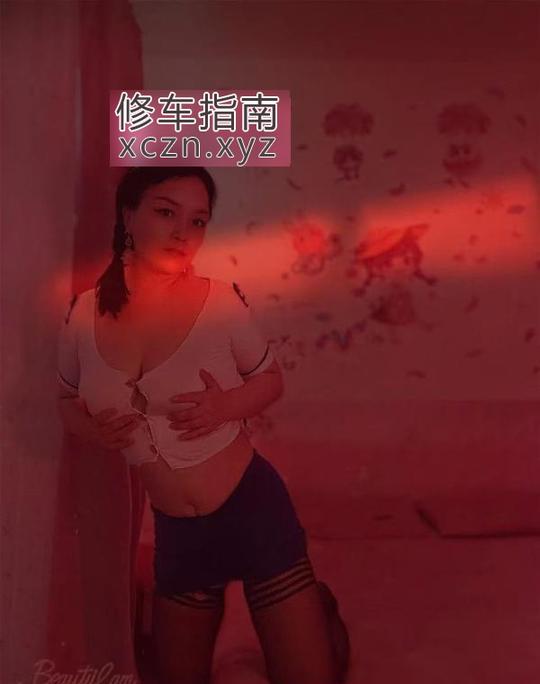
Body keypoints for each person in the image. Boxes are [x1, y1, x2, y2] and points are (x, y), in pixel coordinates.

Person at [56, 166, 350, 684]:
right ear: (129, 215)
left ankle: (320, 619)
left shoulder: (219, 301)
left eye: (197, 221)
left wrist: (226, 406)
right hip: (178, 533)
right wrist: (95, 431)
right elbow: (64, 399)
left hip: (251, 510)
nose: (182, 233)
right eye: (165, 212)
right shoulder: (82, 314)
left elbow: (270, 380)